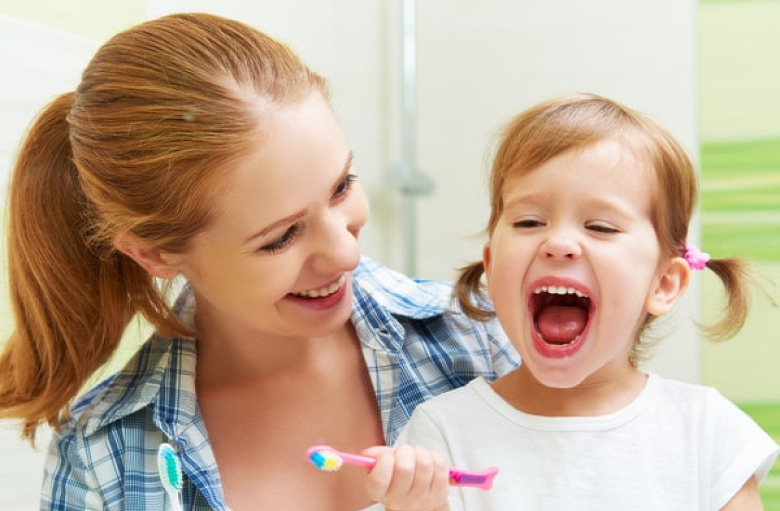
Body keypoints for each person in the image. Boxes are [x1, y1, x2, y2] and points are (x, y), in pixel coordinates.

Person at [0, 12, 520, 511]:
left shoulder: (481, 341)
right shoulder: (101, 456)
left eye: (342, 186)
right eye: (281, 237)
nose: (347, 252)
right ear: (154, 253)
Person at [359, 93, 780, 511]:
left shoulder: (708, 432)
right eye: (529, 221)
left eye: (600, 227)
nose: (558, 243)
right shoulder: (443, 433)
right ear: (491, 266)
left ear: (664, 283)